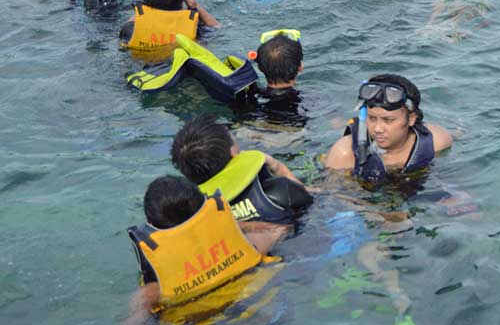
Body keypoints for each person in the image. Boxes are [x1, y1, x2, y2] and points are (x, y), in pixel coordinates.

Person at [120, 175, 291, 325]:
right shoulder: (248, 245)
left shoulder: (153, 291)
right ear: (204, 208)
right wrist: (240, 226)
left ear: (150, 224)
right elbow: (282, 230)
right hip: (266, 318)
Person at [171, 114, 313, 223]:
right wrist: (277, 166)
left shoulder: (194, 215)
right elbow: (311, 199)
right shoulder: (279, 190)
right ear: (233, 152)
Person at [324, 74, 453, 183]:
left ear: (411, 118)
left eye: (388, 120)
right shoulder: (345, 155)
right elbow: (331, 195)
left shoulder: (437, 141)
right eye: (372, 118)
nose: (378, 129)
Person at [119, 0, 219, 61]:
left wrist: (146, 5)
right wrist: (195, 6)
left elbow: (134, 20)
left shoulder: (131, 30)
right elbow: (216, 28)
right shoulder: (195, 29)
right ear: (182, 0)